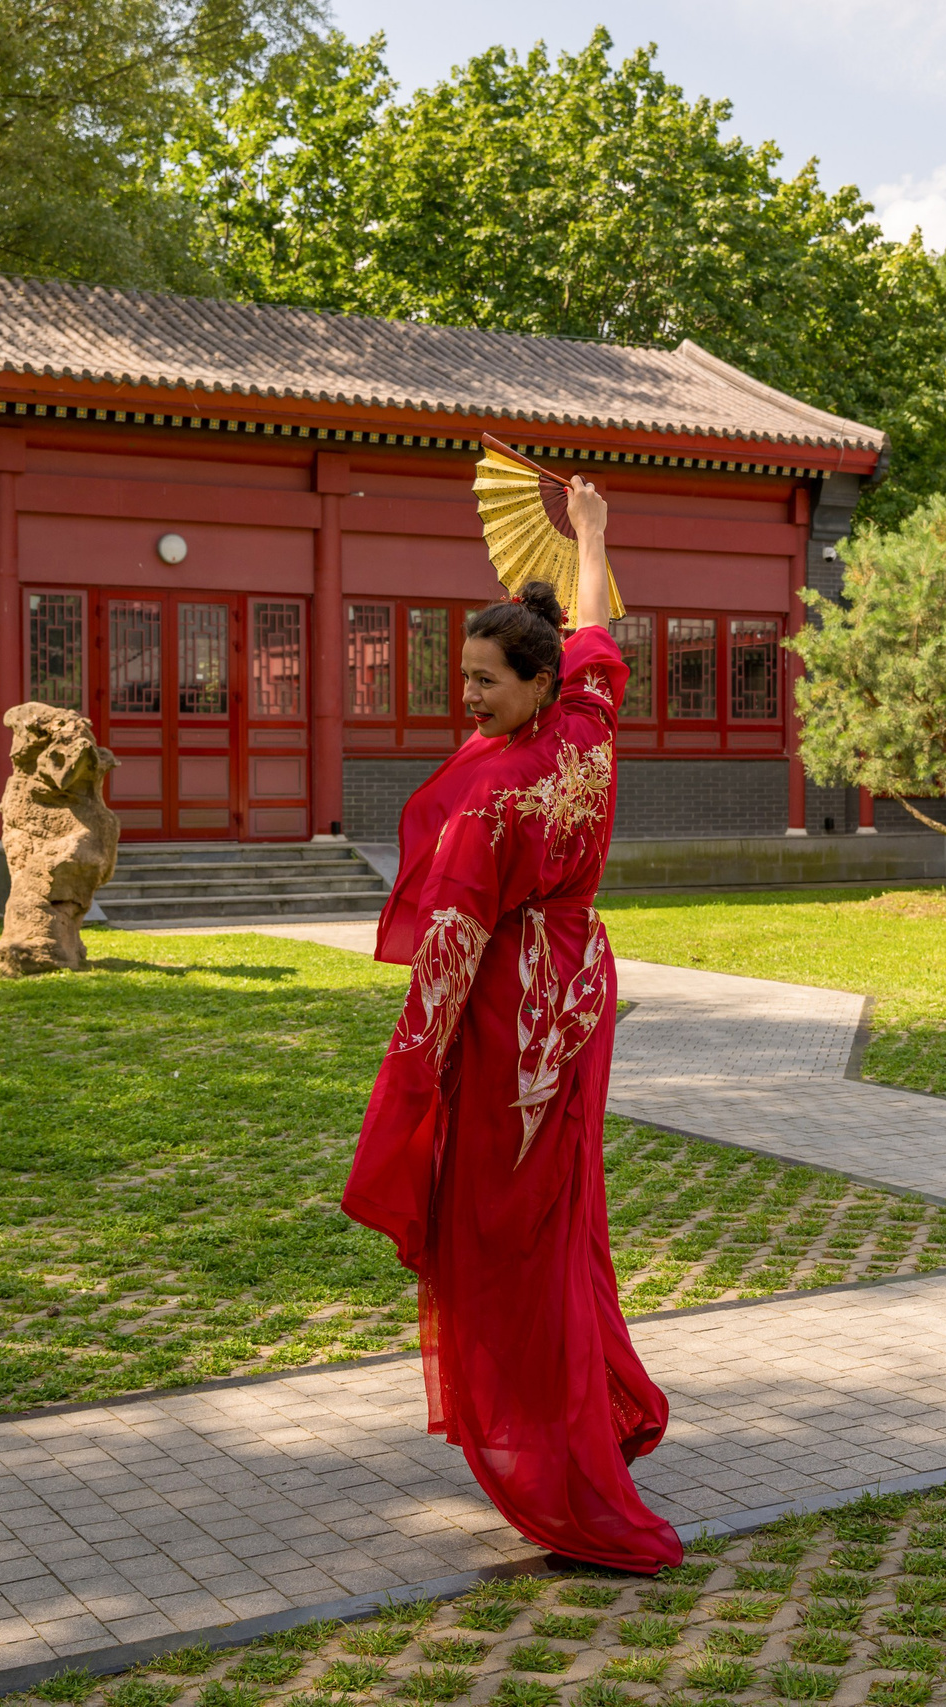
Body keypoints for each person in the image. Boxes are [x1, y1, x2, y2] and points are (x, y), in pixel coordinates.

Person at [341, 477, 684, 1573]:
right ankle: (592, 1405)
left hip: (508, 1034)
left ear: (536, 684)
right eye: (465, 682)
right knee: (560, 1213)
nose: (468, 702)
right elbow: (599, 631)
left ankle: (559, 1458)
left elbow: (446, 961)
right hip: (577, 998)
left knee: (502, 1234)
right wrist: (592, 533)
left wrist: (412, 1085)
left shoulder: (492, 803)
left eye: (485, 682)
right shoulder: (587, 727)